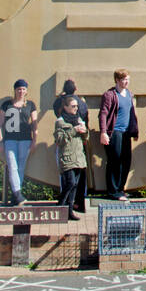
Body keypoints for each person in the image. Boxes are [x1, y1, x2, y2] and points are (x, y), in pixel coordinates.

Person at [97, 69, 138, 200]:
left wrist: (135, 131)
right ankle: (113, 191)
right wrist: (103, 132)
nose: (126, 82)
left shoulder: (129, 95)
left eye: (128, 79)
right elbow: (103, 114)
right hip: (114, 132)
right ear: (117, 80)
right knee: (115, 161)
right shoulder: (109, 95)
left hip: (126, 133)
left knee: (126, 161)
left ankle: (120, 189)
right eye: (124, 79)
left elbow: (132, 114)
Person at [0, 79, 38, 206]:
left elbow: (35, 124)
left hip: (25, 139)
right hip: (10, 139)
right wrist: (0, 141)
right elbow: (0, 124)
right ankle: (18, 194)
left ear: (26, 91)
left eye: (23, 89)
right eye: (19, 89)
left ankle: (16, 197)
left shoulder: (30, 105)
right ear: (15, 90)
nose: (21, 91)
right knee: (12, 166)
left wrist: (34, 140)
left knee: (20, 168)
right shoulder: (6, 105)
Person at [52, 79, 90, 212]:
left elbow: (55, 106)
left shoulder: (63, 104)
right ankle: (62, 206)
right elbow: (60, 139)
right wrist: (75, 130)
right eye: (73, 107)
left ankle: (69, 209)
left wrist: (84, 131)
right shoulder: (61, 122)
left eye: (76, 107)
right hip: (68, 156)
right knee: (71, 183)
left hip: (78, 156)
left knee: (73, 184)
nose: (76, 108)